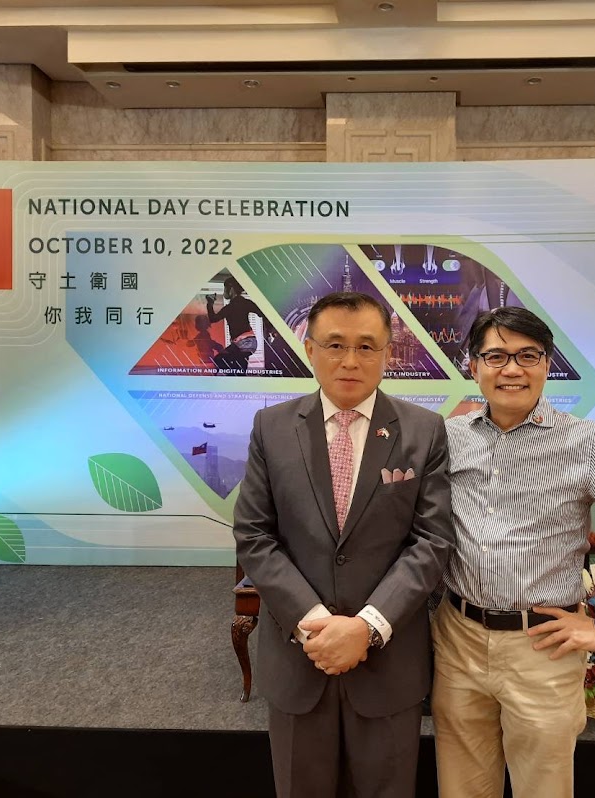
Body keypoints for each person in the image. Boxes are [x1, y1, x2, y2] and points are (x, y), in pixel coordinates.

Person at [433, 306, 595, 798]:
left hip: (543, 647)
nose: (512, 369)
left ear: (547, 364)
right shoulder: (448, 438)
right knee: (461, 787)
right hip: (458, 639)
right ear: (474, 365)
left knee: (543, 788)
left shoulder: (585, 444)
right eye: (496, 356)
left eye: (527, 355)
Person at [233, 291, 454, 798]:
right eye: (335, 345)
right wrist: (314, 622)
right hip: (300, 657)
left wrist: (367, 627)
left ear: (388, 353)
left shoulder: (423, 431)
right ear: (310, 349)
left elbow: (432, 540)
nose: (350, 360)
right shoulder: (272, 427)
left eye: (366, 346)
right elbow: (254, 534)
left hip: (387, 662)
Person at [206, 276, 265, 372]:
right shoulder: (246, 303)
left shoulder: (230, 307)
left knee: (219, 360)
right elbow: (262, 313)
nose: (224, 292)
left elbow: (213, 319)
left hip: (242, 343)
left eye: (225, 289)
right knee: (240, 367)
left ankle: (233, 376)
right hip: (250, 342)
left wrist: (210, 303)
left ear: (231, 289)